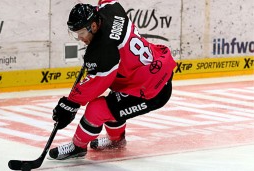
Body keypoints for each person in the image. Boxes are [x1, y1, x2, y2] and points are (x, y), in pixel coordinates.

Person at [48, 0, 176, 160]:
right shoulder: (110, 9)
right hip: (152, 72)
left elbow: (96, 84)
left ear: (93, 26)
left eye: (81, 32)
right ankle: (117, 141)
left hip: (152, 91)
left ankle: (78, 147)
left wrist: (70, 105)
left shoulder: (103, 49)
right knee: (114, 103)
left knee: (97, 110)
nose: (80, 38)